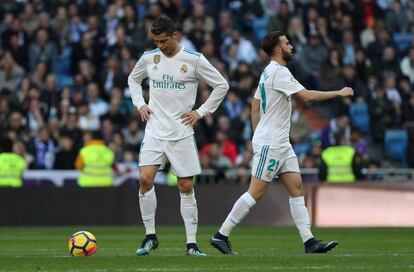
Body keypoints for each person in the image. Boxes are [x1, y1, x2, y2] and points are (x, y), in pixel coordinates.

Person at [210, 31, 354, 254]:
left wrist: (258, 135)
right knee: (256, 192)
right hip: (273, 144)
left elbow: (255, 105)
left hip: (279, 143)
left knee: (296, 188)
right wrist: (339, 92)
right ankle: (221, 234)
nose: (291, 46)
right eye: (287, 43)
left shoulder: (267, 72)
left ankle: (309, 241)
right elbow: (306, 96)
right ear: (278, 49)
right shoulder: (279, 72)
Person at [128, 16, 229, 256]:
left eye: (163, 40)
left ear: (175, 36)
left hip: (181, 131)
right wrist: (140, 104)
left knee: (185, 185)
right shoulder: (148, 58)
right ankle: (150, 236)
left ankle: (191, 244)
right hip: (154, 129)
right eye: (156, 41)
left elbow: (222, 85)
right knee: (145, 179)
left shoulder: (193, 60)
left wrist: (201, 112)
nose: (160, 45)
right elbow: (133, 79)